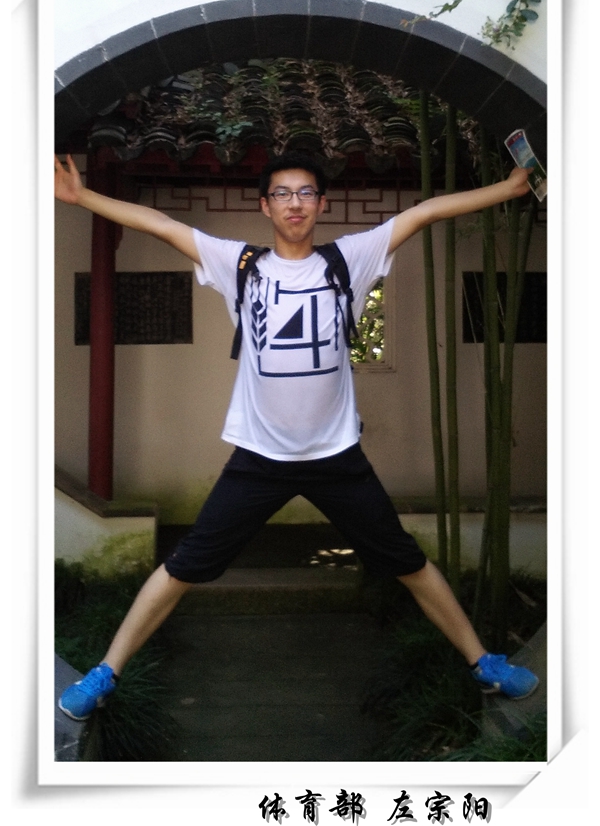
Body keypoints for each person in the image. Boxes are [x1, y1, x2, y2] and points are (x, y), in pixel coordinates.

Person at [55, 151, 539, 721]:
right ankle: (105, 673)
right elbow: (160, 224)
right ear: (265, 206)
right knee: (184, 566)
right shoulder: (239, 264)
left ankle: (484, 664)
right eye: (282, 193)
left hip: (337, 458)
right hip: (259, 459)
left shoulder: (349, 259)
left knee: (407, 562)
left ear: (321, 204)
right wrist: (83, 198)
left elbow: (425, 212)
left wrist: (509, 190)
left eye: (306, 192)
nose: (295, 203)